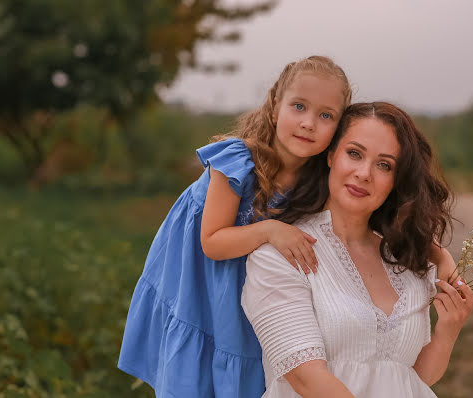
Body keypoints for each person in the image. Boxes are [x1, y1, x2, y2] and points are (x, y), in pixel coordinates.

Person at [117, 55, 352, 397]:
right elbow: (212, 242)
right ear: (275, 106)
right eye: (298, 106)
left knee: (243, 374)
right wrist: (271, 229)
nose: (308, 123)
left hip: (244, 296)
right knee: (195, 378)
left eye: (326, 115)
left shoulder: (319, 182)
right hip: (198, 283)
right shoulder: (237, 162)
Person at [242, 102, 473, 397]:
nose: (364, 173)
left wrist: (448, 331)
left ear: (396, 180)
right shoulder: (280, 254)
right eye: (354, 153)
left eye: (384, 165)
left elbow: (410, 378)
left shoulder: (404, 261)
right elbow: (305, 378)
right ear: (330, 155)